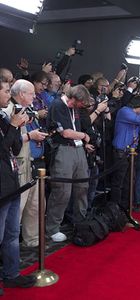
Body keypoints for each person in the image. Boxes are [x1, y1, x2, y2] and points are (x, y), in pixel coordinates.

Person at [0, 78, 36, 294]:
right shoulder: (7, 119)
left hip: (12, 182)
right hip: (2, 186)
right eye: (5, 91)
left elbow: (13, 146)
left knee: (12, 233)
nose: (8, 94)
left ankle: (11, 275)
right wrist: (14, 126)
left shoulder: (4, 117)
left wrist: (16, 126)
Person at [46, 85, 91, 242]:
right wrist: (84, 136)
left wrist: (83, 140)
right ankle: (52, 227)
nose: (83, 106)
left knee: (82, 186)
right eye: (81, 103)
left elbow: (72, 130)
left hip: (77, 149)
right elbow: (65, 132)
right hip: (63, 150)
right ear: (74, 99)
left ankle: (80, 222)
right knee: (62, 191)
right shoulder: (58, 105)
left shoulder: (75, 109)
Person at [111, 95, 140, 210]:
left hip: (131, 152)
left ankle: (127, 207)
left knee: (129, 181)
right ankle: (115, 209)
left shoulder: (138, 115)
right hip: (121, 151)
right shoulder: (124, 111)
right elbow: (138, 120)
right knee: (119, 182)